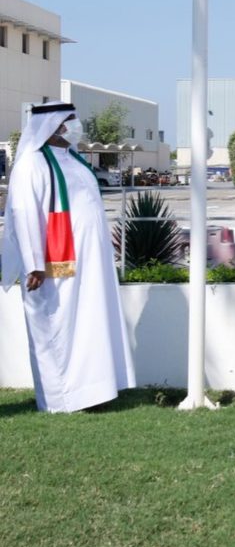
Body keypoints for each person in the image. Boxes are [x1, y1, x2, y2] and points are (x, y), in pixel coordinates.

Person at [1, 102, 135, 412]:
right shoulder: (32, 164)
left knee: (89, 322)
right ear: (55, 125)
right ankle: (61, 398)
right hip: (54, 263)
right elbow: (23, 213)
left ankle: (92, 392)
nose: (76, 125)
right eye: (71, 119)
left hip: (89, 262)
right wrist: (34, 263)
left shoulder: (72, 159)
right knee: (58, 327)